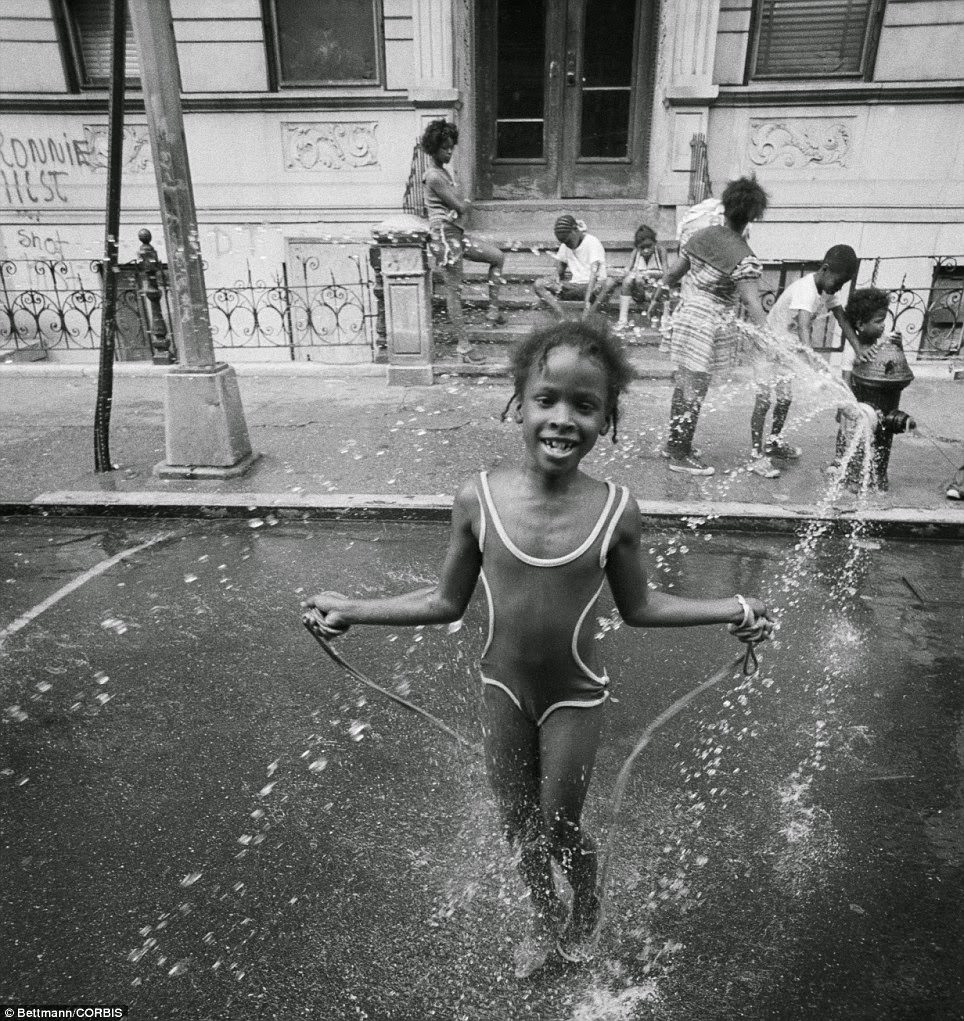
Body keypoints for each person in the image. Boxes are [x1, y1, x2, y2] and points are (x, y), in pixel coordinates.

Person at [304, 318, 773, 977]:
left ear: (607, 418)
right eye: (546, 399)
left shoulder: (617, 509)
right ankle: (541, 918)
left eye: (585, 405)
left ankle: (585, 892)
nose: (562, 418)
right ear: (517, 402)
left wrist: (734, 605)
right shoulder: (478, 498)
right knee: (516, 827)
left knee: (558, 823)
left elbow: (642, 606)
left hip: (574, 695)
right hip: (502, 689)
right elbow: (445, 600)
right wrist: (354, 608)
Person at [657, 176, 771, 476]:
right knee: (695, 389)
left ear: (726, 206)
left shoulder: (702, 235)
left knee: (684, 386)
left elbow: (671, 276)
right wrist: (772, 339)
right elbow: (752, 304)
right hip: (708, 326)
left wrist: (659, 294)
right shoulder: (744, 257)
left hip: (688, 315)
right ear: (752, 217)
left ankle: (674, 444)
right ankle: (680, 455)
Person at [752, 246, 864, 478]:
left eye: (844, 284)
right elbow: (803, 325)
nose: (839, 288)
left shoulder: (828, 289)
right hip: (767, 347)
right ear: (825, 269)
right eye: (839, 282)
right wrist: (811, 361)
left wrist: (859, 348)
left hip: (786, 350)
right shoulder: (806, 289)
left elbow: (841, 319)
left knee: (784, 400)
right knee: (763, 402)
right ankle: (756, 456)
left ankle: (773, 444)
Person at [421, 119, 506, 364]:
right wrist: (463, 204)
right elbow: (460, 206)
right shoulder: (434, 176)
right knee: (454, 289)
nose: (449, 152)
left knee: (497, 257)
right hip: (445, 239)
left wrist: (460, 207)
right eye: (444, 148)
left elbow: (458, 208)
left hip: (455, 235)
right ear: (433, 148)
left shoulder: (443, 173)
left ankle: (493, 310)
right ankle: (464, 346)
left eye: (451, 147)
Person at [533, 215, 610, 320]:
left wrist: (586, 303)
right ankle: (563, 317)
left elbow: (594, 275)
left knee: (609, 283)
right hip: (573, 287)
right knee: (539, 284)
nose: (567, 245)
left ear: (575, 230)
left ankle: (586, 319)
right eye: (564, 243)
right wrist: (553, 281)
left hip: (591, 287)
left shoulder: (592, 242)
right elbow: (559, 270)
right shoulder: (565, 245)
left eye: (568, 241)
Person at [610, 225, 666, 332]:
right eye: (642, 247)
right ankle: (622, 320)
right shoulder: (636, 252)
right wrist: (624, 273)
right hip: (640, 292)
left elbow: (666, 273)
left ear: (654, 242)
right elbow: (627, 270)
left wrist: (648, 274)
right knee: (628, 280)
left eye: (649, 246)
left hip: (656, 292)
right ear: (638, 246)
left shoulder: (660, 251)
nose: (645, 250)